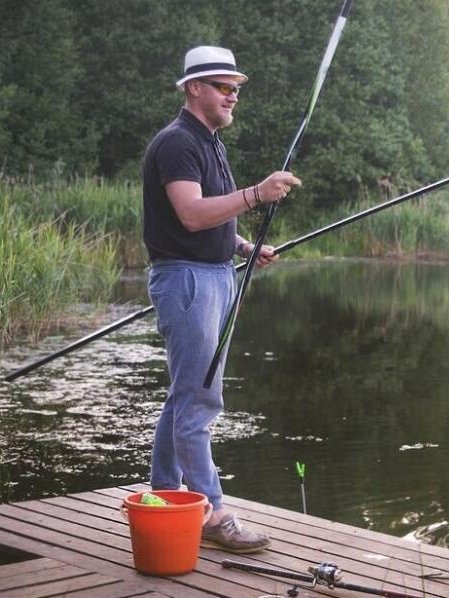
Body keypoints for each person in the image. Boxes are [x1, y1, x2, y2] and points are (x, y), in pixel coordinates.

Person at [141, 45, 301, 553]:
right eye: (223, 87)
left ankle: (166, 494)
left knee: (185, 393)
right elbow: (189, 214)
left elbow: (208, 215)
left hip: (213, 274)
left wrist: (243, 246)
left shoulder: (209, 142)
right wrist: (257, 194)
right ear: (193, 88)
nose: (234, 96)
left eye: (237, 89)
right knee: (201, 398)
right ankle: (210, 513)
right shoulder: (177, 143)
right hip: (188, 280)